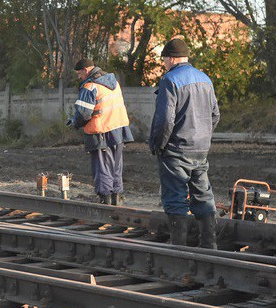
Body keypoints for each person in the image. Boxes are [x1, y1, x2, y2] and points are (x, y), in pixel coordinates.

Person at [150, 38, 220, 249]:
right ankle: (209, 246)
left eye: (164, 60)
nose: (164, 64)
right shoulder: (205, 79)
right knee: (203, 195)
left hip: (176, 150)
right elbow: (215, 114)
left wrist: (158, 144)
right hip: (200, 149)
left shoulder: (170, 81)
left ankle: (178, 248)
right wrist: (202, 136)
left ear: (171, 58)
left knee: (175, 198)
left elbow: (165, 120)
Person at [67, 58, 134, 206]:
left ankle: (105, 200)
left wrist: (74, 122)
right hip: (118, 128)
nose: (79, 77)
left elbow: (84, 114)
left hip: (101, 131)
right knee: (116, 166)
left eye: (79, 73)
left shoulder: (90, 86)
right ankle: (117, 199)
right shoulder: (113, 82)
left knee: (102, 166)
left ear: (86, 70)